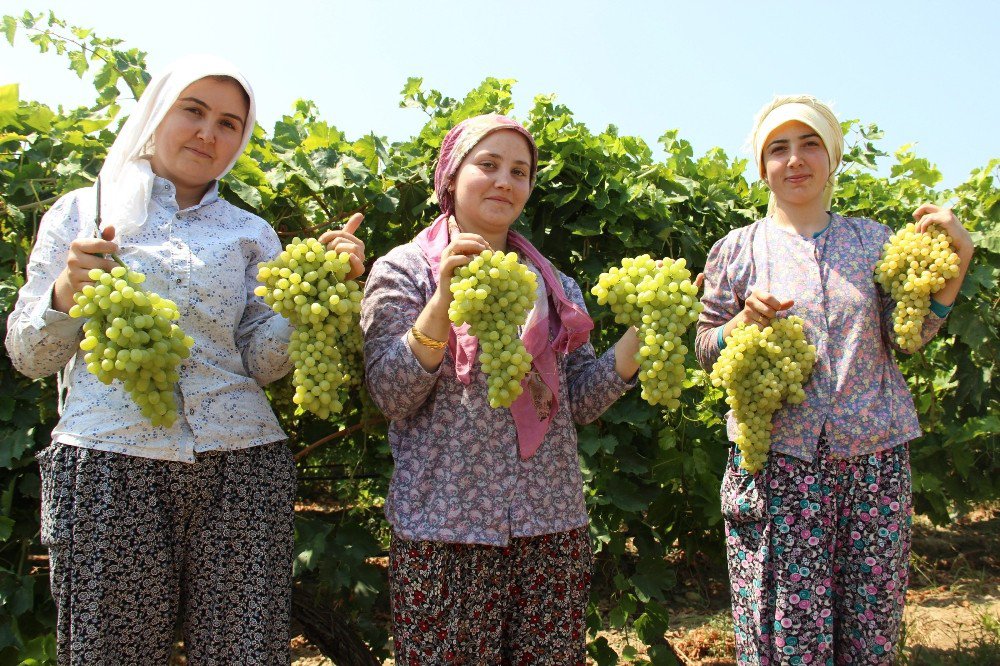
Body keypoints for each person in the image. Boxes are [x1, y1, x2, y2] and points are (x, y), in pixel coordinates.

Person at [5, 55, 365, 664]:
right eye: (192, 111)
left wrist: (313, 297)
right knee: (109, 654)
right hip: (109, 465)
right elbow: (28, 356)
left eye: (229, 123)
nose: (208, 133)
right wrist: (66, 292)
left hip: (244, 468)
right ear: (156, 113)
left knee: (244, 654)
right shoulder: (81, 212)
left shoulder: (251, 232)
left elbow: (260, 361)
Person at [695, 94, 974, 664]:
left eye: (809, 144)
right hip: (778, 470)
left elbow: (908, 337)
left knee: (868, 636)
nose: (794, 160)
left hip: (873, 468)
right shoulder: (735, 251)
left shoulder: (874, 243)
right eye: (778, 148)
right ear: (761, 166)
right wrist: (742, 324)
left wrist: (959, 261)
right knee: (788, 639)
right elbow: (705, 349)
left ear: (833, 158)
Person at [361, 113, 642, 664]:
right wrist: (442, 303)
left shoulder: (554, 284)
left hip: (551, 526)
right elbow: (392, 395)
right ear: (450, 175)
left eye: (520, 171)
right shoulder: (404, 271)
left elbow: (579, 402)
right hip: (445, 529)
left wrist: (641, 338)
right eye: (487, 165)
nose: (505, 181)